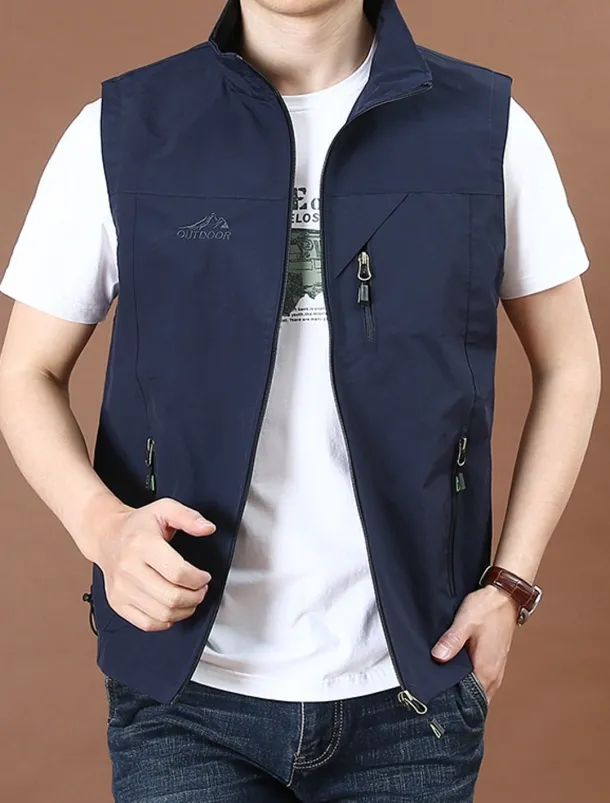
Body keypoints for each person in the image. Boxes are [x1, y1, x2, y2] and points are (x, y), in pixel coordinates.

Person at [0, 0, 600, 800]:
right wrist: (103, 528)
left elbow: (571, 363)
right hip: (185, 694)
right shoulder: (123, 129)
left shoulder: (488, 129)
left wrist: (511, 584)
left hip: (411, 690)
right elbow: (25, 371)